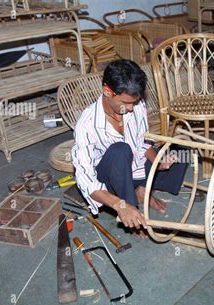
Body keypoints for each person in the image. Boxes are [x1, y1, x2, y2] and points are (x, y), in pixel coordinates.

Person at [72, 60, 189, 238]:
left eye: (134, 102)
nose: (130, 108)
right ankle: (131, 205)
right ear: (107, 91)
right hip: (109, 183)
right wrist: (121, 206)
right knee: (120, 150)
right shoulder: (87, 125)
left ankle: (141, 189)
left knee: (182, 148)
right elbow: (85, 180)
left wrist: (158, 162)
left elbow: (142, 142)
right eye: (125, 103)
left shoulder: (136, 106)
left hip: (133, 170)